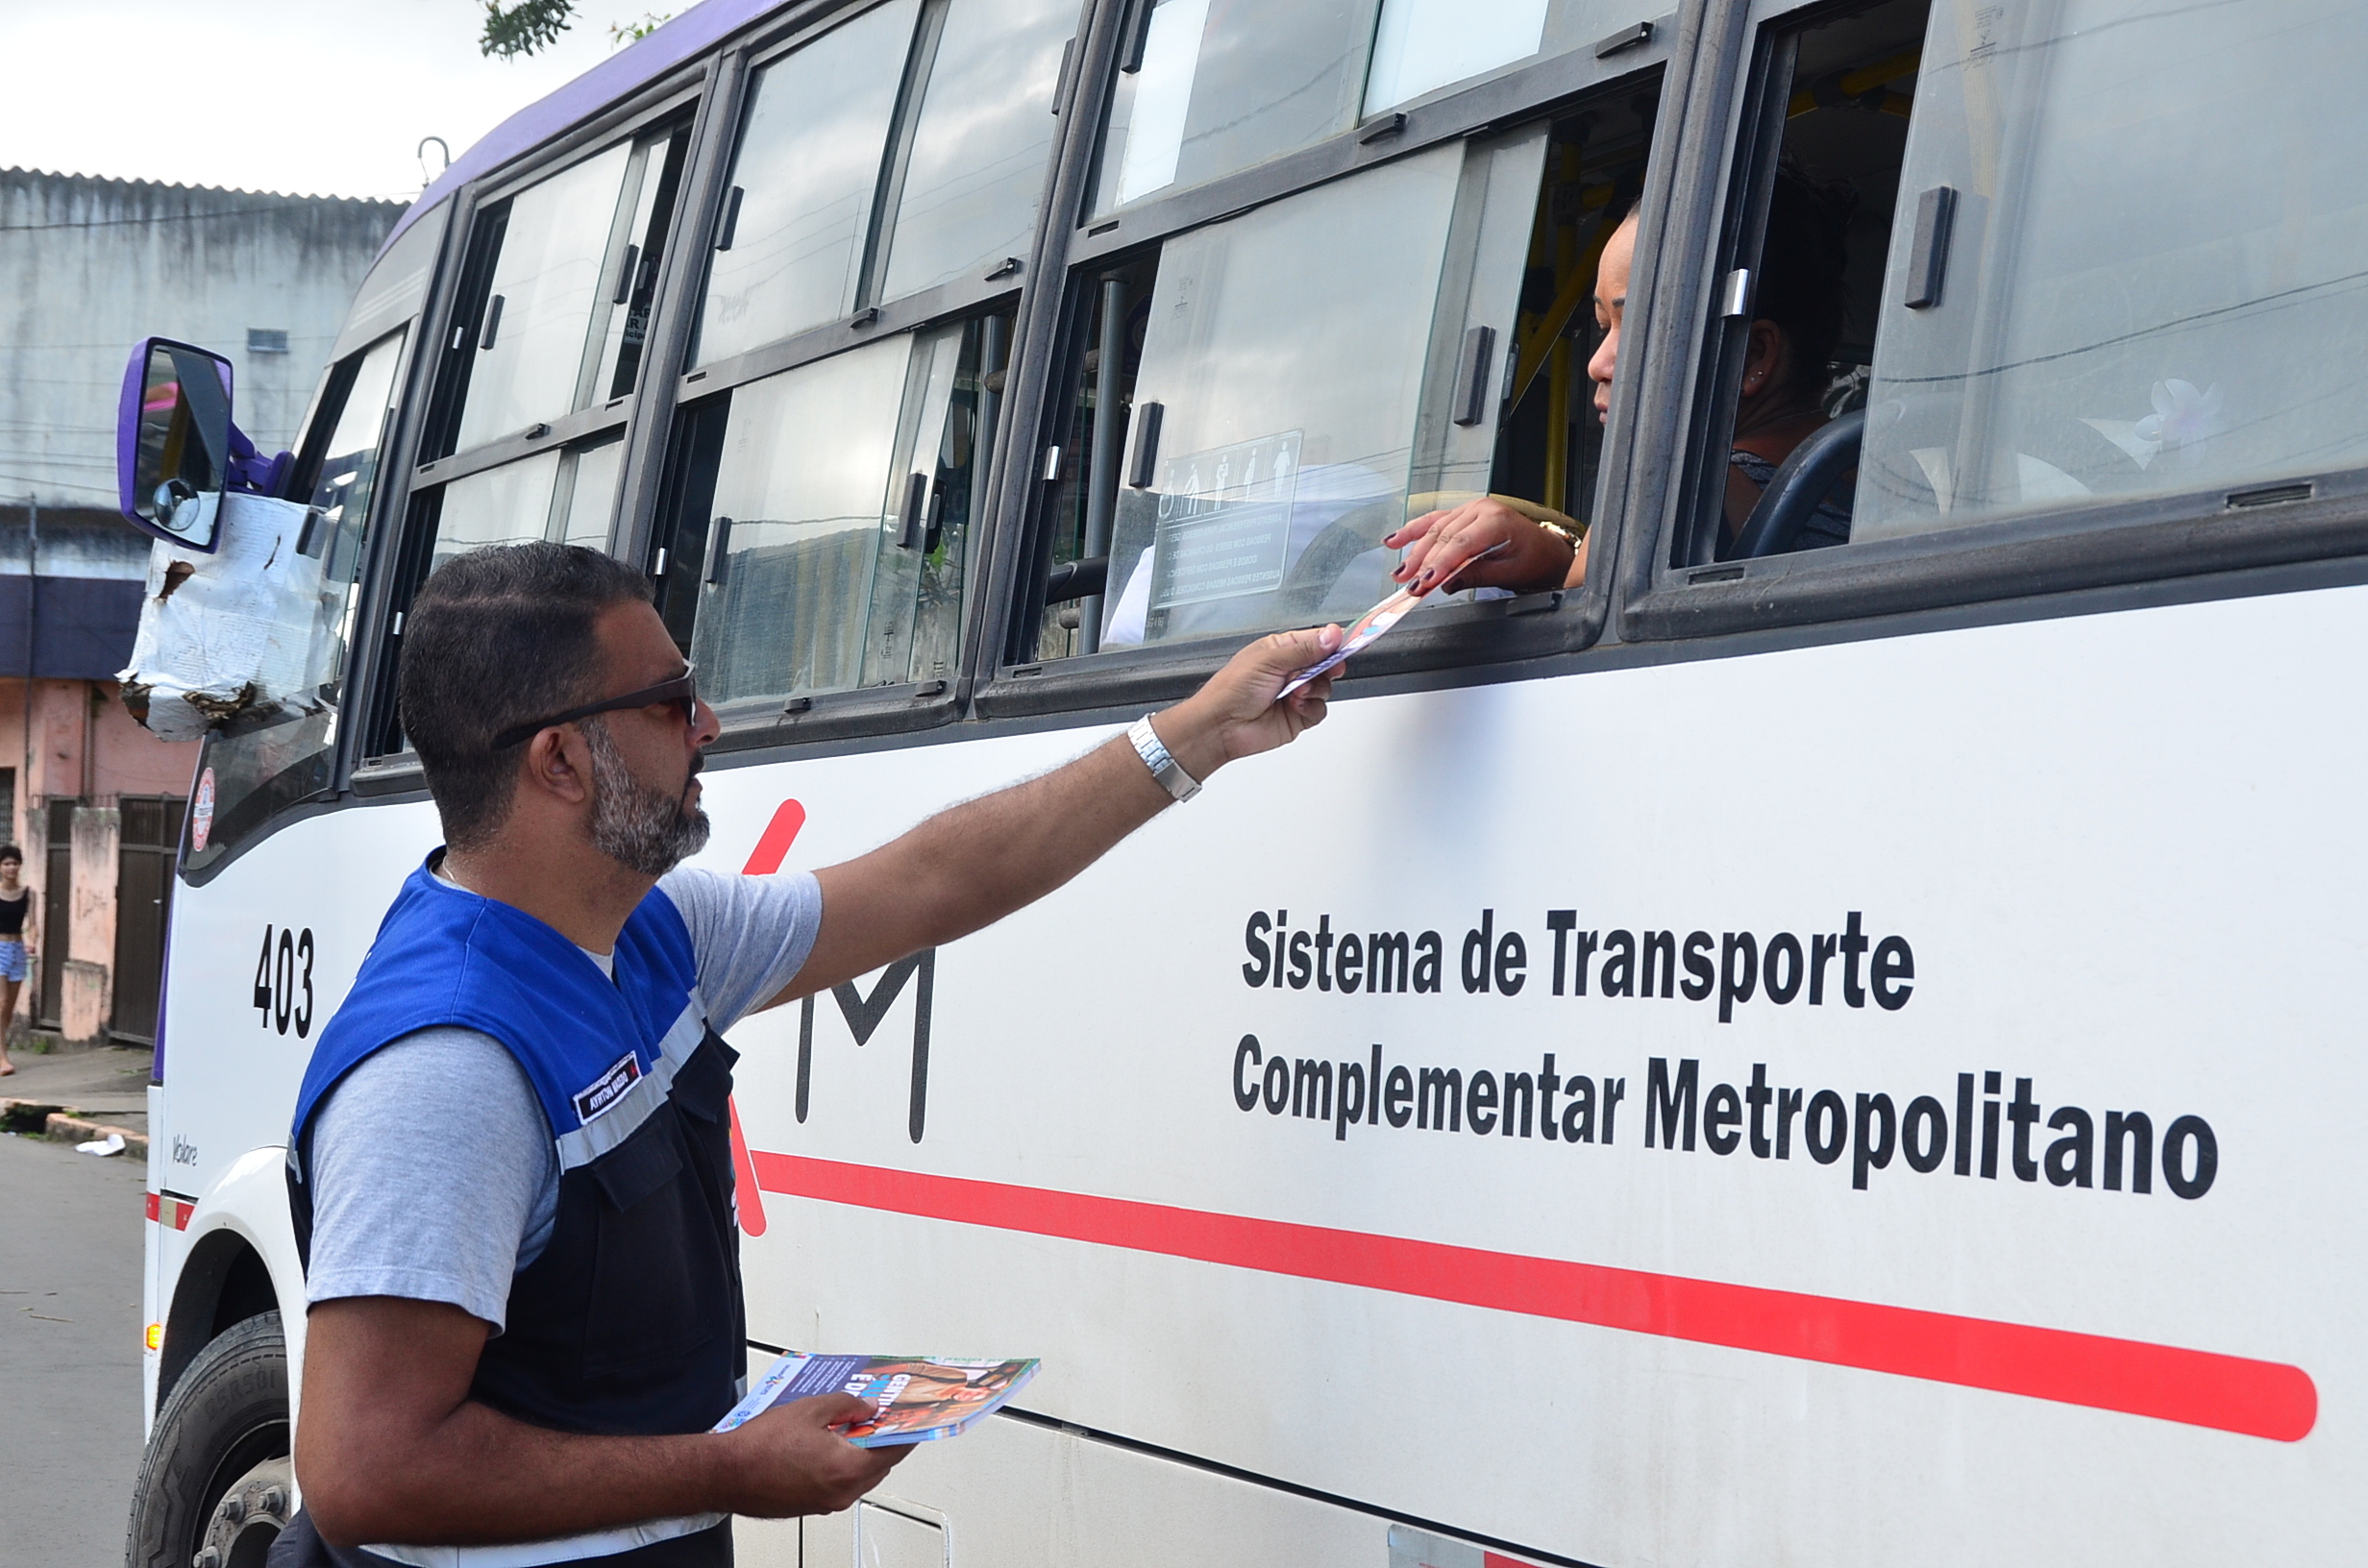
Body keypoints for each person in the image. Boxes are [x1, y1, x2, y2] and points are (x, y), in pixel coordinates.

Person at [273, 542, 1340, 1567]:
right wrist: (726, 1468)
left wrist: (1194, 733)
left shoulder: (657, 932)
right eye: (668, 701)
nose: (708, 724)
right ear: (559, 761)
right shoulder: (445, 1072)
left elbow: (932, 882)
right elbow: (366, 1471)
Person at [1384, 168, 1854, 594]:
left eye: (1640, 328)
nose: (1596, 364)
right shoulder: (1883, 480)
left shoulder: (1674, 491)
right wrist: (1560, 556)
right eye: (1604, 327)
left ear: (1752, 355)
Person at [0, 846, 27, 1075]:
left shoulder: (29, 893)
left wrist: (33, 939)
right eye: (7, 863)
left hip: (18, 949)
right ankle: (2, 1057)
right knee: (1, 1002)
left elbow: (34, 923)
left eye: (15, 863)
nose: (11, 867)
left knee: (9, 1007)